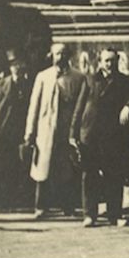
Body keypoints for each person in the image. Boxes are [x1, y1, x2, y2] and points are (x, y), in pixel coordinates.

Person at [70, 48, 129, 227]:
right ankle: (90, 214)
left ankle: (114, 214)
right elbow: (79, 108)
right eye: (106, 61)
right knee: (90, 175)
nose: (110, 64)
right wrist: (73, 133)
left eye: (113, 60)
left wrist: (128, 106)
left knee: (114, 174)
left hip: (113, 135)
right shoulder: (90, 80)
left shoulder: (124, 82)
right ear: (100, 63)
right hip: (91, 133)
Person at [24, 43, 86, 218]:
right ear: (51, 56)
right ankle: (40, 207)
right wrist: (29, 133)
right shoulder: (43, 77)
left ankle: (69, 206)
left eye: (64, 53)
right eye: (57, 54)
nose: (61, 57)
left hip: (67, 132)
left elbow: (81, 108)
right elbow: (33, 107)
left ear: (69, 55)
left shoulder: (78, 78)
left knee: (67, 170)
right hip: (45, 130)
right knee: (42, 170)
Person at [0, 50, 33, 207]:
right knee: (0, 166)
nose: (17, 68)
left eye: (20, 65)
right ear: (10, 68)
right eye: (14, 65)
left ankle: (15, 199)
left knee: (18, 166)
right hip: (1, 132)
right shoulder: (0, 86)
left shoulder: (28, 86)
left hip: (20, 132)